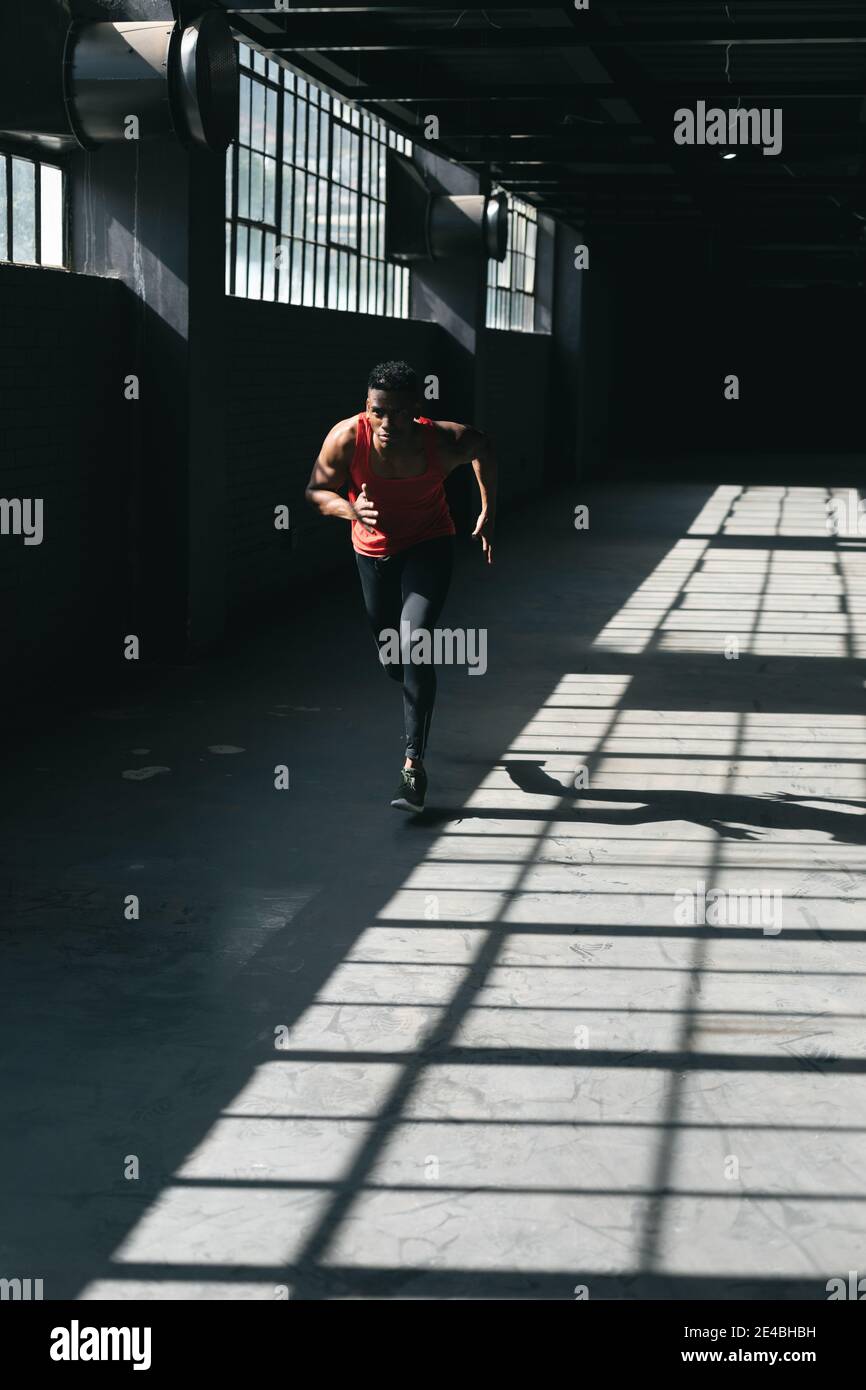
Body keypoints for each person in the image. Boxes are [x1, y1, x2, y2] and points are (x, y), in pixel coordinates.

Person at [305, 360, 497, 812]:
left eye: (398, 412)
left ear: (417, 409)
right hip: (372, 553)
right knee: (394, 659)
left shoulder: (445, 440)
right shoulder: (347, 437)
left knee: (415, 644)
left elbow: (484, 449)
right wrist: (351, 511)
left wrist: (489, 509)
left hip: (429, 543)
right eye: (378, 411)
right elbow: (317, 493)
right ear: (366, 408)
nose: (387, 423)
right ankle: (408, 673)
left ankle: (413, 769)